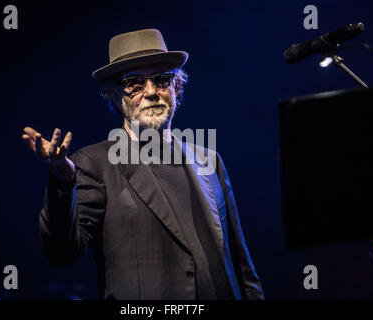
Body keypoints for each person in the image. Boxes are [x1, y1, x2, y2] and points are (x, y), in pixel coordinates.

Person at [22, 28, 264, 300]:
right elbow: (61, 254)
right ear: (114, 96)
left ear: (177, 87)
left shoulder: (210, 161)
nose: (151, 92)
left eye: (162, 80)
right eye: (135, 83)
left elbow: (242, 267)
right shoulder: (94, 164)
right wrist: (62, 181)